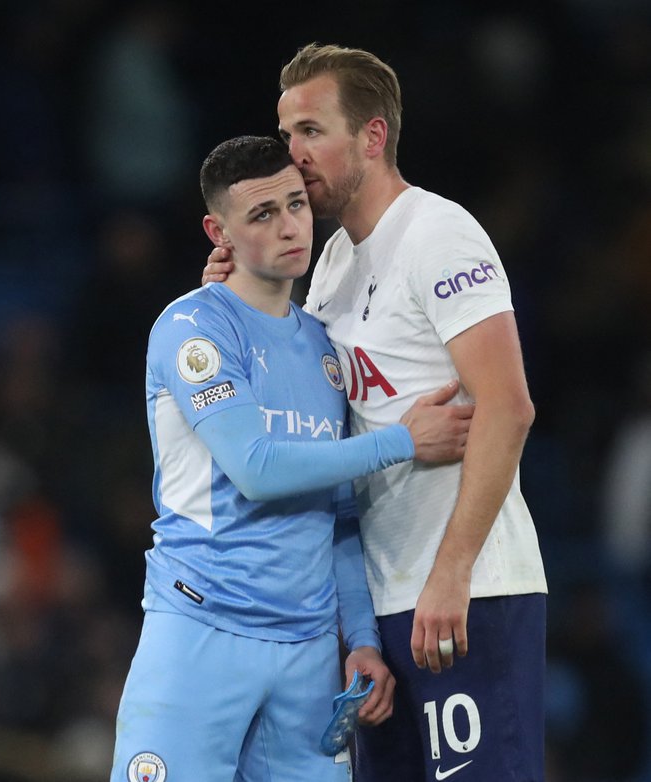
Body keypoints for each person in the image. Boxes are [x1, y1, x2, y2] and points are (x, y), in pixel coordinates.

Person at [203, 44, 548, 782]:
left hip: (468, 594)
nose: (292, 155)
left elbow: (508, 406)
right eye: (287, 132)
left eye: (310, 131)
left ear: (371, 136)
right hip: (383, 608)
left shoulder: (438, 233)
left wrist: (450, 575)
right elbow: (299, 403)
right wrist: (228, 288)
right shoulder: (329, 265)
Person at [110, 135, 473, 782]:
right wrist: (403, 441)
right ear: (216, 230)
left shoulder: (327, 352)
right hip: (201, 634)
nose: (289, 228)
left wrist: (360, 639)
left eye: (296, 205)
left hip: (307, 657)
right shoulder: (194, 328)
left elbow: (337, 516)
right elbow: (257, 470)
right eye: (262, 215)